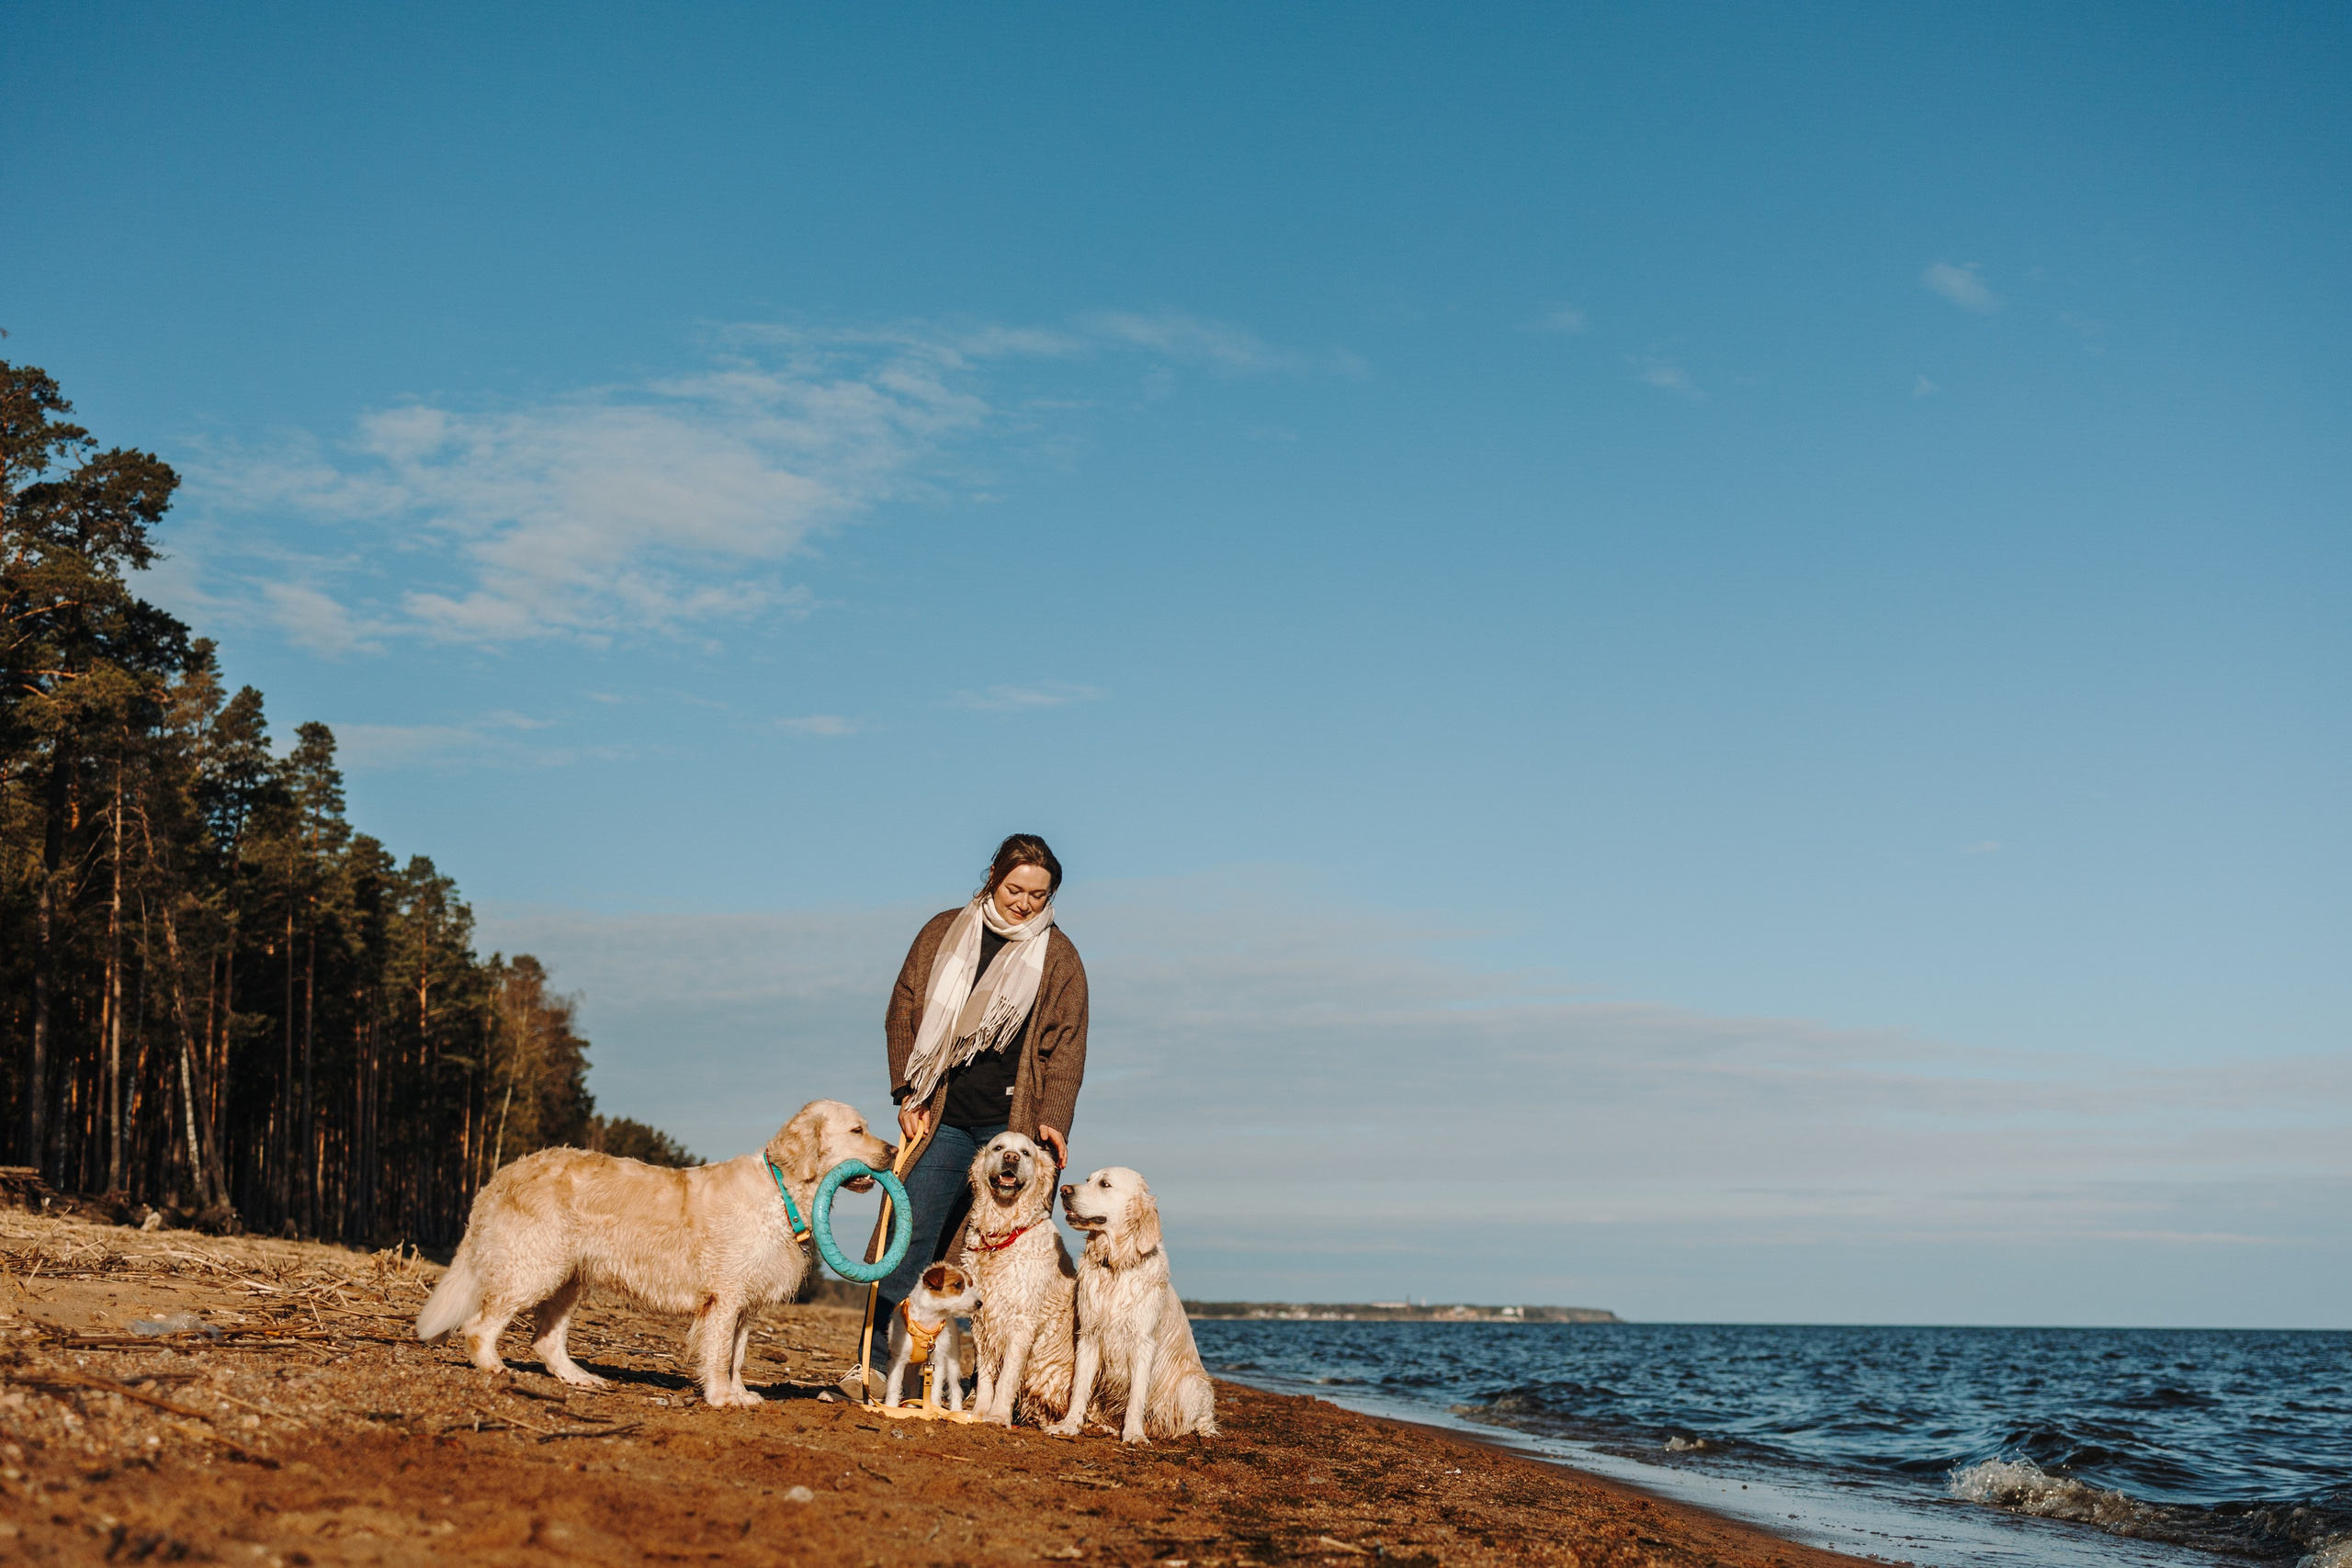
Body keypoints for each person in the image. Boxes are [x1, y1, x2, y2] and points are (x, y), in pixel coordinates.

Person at [861, 833, 1089, 1382]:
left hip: (1012, 1128)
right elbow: (903, 1012)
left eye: (1039, 895)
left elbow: (1066, 1048)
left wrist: (1053, 1122)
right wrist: (906, 1094)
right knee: (909, 1239)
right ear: (992, 876)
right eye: (1015, 888)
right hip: (940, 1114)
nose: (1024, 903)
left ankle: (965, 1378)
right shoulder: (942, 931)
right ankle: (874, 1368)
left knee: (988, 1255)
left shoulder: (1059, 957)